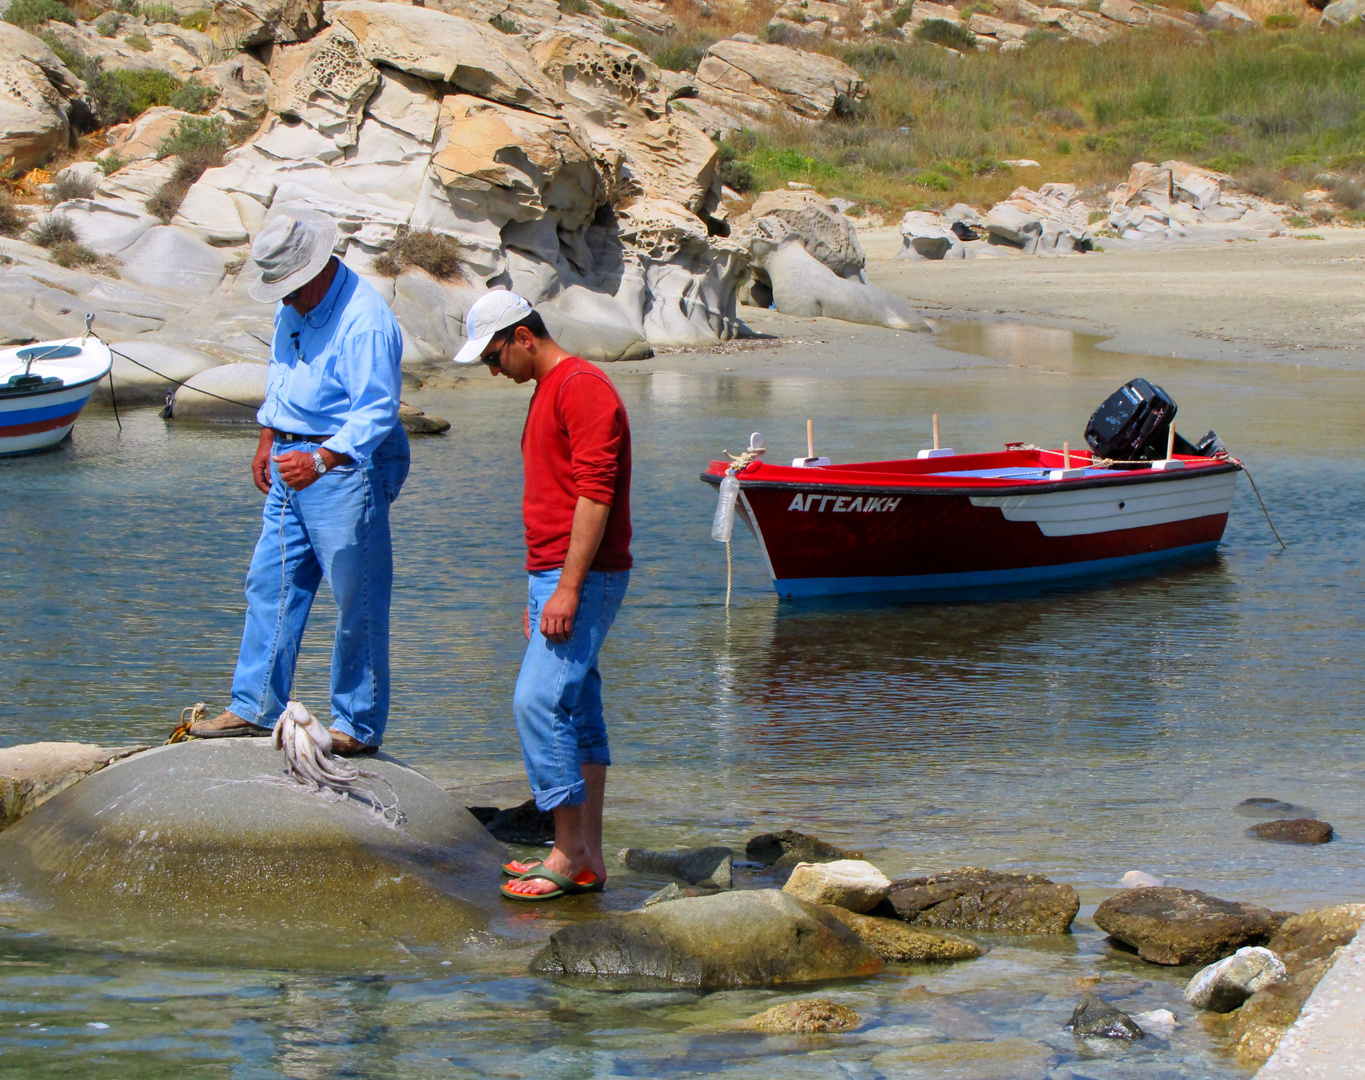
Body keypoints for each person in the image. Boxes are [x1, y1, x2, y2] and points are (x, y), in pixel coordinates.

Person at [179, 209, 409, 755]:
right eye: (279, 291)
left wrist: (323, 461)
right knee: (271, 584)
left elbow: (377, 411)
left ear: (318, 270)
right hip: (289, 458)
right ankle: (254, 705)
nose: (284, 301)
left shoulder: (365, 320)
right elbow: (281, 377)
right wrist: (268, 437)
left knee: (357, 598)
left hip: (344, 465)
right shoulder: (293, 308)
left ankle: (356, 724)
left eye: (291, 289)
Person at [453, 292, 632, 901]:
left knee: (536, 703)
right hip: (552, 576)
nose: (493, 371)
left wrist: (568, 589)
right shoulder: (548, 389)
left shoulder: (583, 387)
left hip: (581, 576)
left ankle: (566, 850)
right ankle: (589, 859)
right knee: (577, 710)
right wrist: (539, 592)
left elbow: (594, 496)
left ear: (523, 337)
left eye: (494, 357)